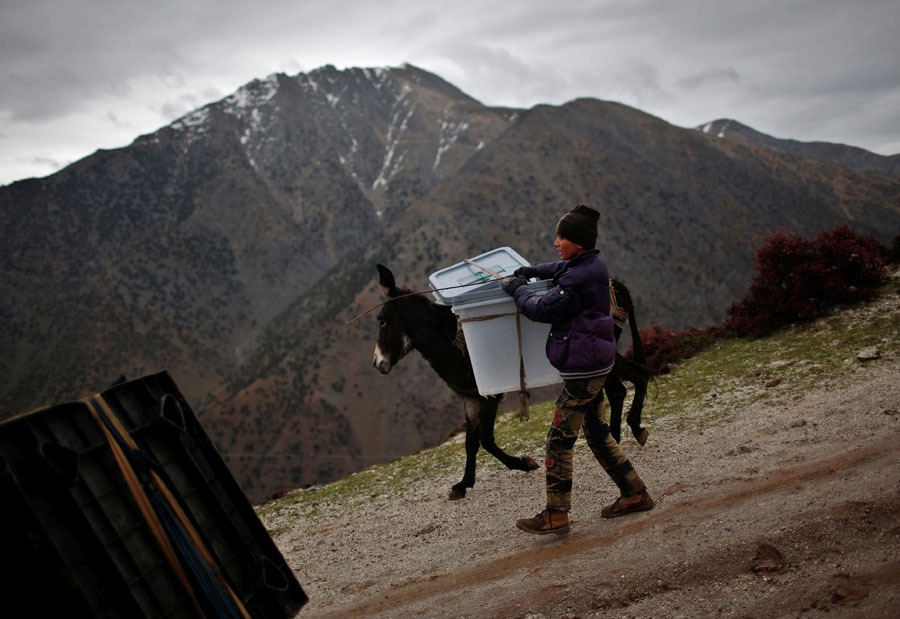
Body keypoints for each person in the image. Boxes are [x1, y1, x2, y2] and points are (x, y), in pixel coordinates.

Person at [501, 204, 654, 535]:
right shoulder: (591, 263)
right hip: (596, 361)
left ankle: (556, 513)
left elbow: (542, 309)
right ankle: (635, 493)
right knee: (596, 431)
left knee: (558, 439)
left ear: (579, 242)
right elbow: (559, 266)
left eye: (562, 237)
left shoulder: (578, 278)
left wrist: (518, 290)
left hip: (585, 370)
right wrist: (533, 271)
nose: (556, 242)